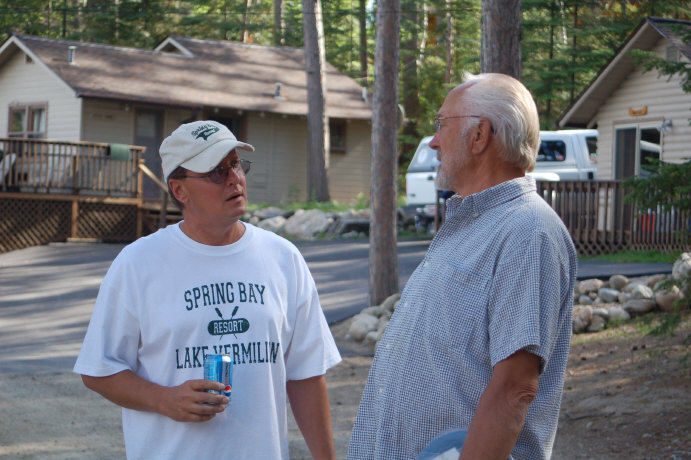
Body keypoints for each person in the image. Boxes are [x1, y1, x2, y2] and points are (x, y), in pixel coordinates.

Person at [74, 120, 342, 460]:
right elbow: (99, 370)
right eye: (215, 172)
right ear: (179, 190)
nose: (234, 178)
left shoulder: (282, 257)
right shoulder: (139, 263)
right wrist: (164, 399)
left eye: (235, 164)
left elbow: (306, 374)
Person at [347, 74, 577, 460]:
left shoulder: (527, 232)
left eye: (441, 125)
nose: (433, 141)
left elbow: (515, 388)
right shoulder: (475, 222)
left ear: (479, 135)